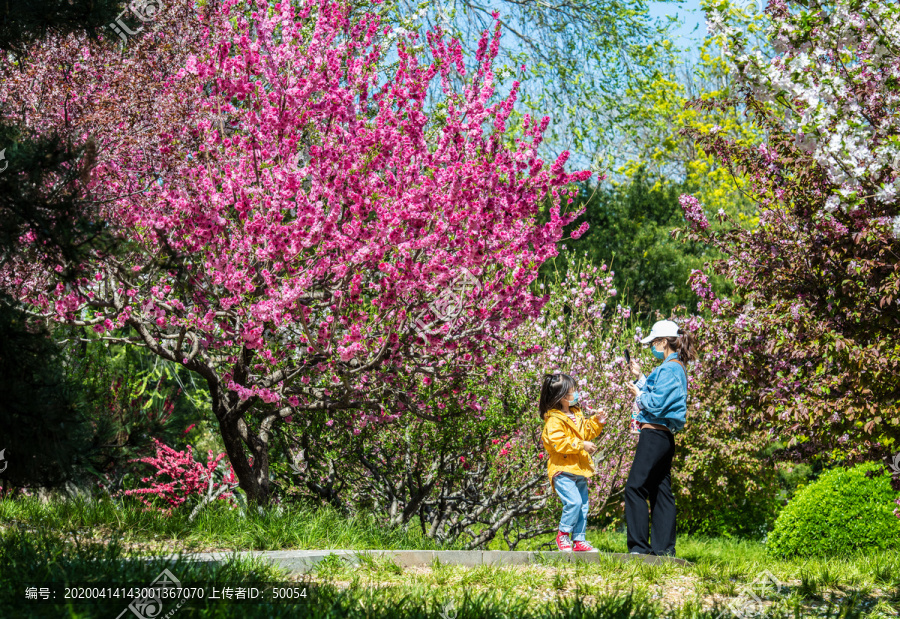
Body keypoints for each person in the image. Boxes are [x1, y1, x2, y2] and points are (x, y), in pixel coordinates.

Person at [623, 320, 697, 556]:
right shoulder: (673, 367)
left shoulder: (669, 368)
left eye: (654, 342)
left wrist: (638, 393)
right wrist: (641, 377)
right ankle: (664, 549)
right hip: (664, 437)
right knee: (660, 491)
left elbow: (654, 403)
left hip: (654, 433)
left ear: (664, 341)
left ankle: (639, 548)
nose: (652, 347)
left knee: (635, 488)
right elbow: (661, 396)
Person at [539, 373, 608, 552]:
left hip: (578, 469)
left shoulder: (576, 414)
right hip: (562, 469)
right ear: (561, 397)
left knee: (583, 506)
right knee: (574, 503)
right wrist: (581, 445)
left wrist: (597, 421)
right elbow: (559, 443)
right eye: (572, 391)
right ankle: (563, 535)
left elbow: (586, 431)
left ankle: (579, 540)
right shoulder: (554, 420)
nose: (576, 394)